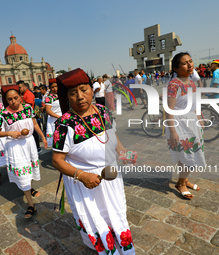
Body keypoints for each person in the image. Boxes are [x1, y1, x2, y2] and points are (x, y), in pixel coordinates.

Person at [52, 68, 135, 254]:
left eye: (84, 89)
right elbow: (57, 160)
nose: (80, 96)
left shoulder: (103, 111)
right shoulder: (65, 124)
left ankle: (122, 246)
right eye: (73, 93)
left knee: (116, 214)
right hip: (86, 183)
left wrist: (124, 154)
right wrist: (82, 175)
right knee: (97, 218)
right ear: (67, 98)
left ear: (93, 89)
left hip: (111, 178)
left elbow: (113, 137)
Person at [0, 85, 47, 218]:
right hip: (15, 146)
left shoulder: (28, 108)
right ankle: (31, 205)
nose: (13, 101)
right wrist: (9, 133)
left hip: (29, 143)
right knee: (22, 174)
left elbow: (34, 123)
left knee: (30, 169)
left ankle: (29, 187)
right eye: (10, 99)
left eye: (15, 98)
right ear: (6, 100)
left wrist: (43, 137)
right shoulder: (3, 115)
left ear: (20, 97)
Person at [166, 52, 205, 199]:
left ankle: (184, 179)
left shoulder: (192, 83)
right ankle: (180, 183)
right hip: (179, 125)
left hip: (192, 123)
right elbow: (169, 109)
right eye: (184, 63)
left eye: (190, 61)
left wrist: (199, 117)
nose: (189, 65)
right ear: (176, 68)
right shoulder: (174, 84)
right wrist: (173, 132)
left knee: (188, 155)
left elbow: (194, 104)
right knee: (188, 155)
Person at [17, 80, 41, 153]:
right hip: (26, 117)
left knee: (33, 132)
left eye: (20, 87)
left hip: (30, 116)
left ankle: (37, 147)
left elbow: (28, 107)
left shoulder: (29, 94)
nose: (19, 89)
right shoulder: (22, 94)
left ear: (24, 86)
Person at [45, 79, 62, 147]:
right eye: (52, 87)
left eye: (56, 86)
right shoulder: (49, 97)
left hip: (62, 116)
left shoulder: (61, 95)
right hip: (54, 119)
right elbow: (48, 110)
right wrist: (59, 117)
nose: (55, 88)